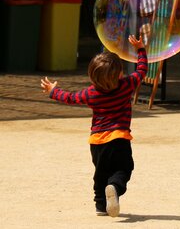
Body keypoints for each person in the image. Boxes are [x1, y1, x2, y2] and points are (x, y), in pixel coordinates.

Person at [40, 35, 147, 218]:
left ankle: (100, 205)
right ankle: (115, 187)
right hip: (119, 138)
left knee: (101, 173)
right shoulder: (126, 85)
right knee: (123, 169)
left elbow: (70, 98)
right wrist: (140, 50)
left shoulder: (91, 93)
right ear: (120, 73)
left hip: (97, 142)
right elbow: (142, 70)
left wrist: (53, 91)